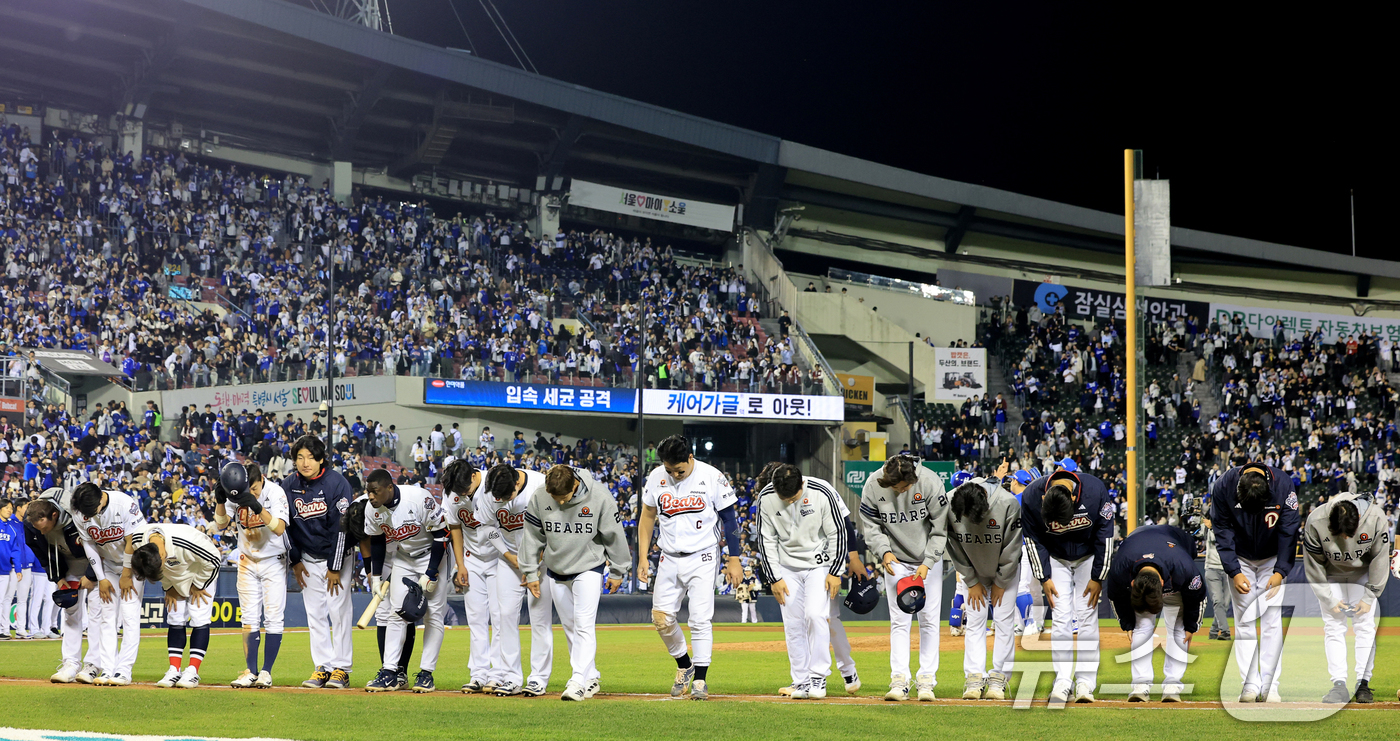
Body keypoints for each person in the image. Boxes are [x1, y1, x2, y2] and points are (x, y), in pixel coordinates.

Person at [637, 435, 743, 700]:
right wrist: (641, 558)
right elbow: (647, 517)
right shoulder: (656, 477)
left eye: (679, 469)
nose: (674, 474)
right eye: (669, 469)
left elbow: (730, 519)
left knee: (699, 619)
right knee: (661, 619)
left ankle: (700, 681)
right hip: (668, 556)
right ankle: (684, 664)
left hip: (703, 556)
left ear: (691, 458)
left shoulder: (712, 476)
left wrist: (734, 558)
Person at [519, 464, 631, 701]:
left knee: (583, 624)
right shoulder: (540, 495)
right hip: (556, 568)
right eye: (554, 497)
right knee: (570, 626)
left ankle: (577, 680)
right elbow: (531, 537)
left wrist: (618, 571)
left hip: (589, 567)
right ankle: (591, 677)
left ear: (575, 485)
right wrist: (530, 573)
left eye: (564, 497)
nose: (559, 502)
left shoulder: (599, 496)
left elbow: (615, 536)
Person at [757, 461, 864, 696]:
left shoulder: (821, 491)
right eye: (783, 497)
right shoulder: (766, 497)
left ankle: (818, 677)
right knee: (793, 624)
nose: (788, 501)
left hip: (819, 565)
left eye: (792, 497)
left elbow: (838, 531)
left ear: (801, 483)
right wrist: (774, 577)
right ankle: (801, 680)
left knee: (817, 615)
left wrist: (835, 572)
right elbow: (765, 539)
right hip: (786, 568)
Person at [1019, 466, 1115, 703]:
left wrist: (1097, 577)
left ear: (1074, 498)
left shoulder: (1094, 490)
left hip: (1088, 555)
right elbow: (1032, 539)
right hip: (1055, 556)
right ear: (1044, 497)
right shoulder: (1031, 496)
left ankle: (1085, 682)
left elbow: (1106, 535)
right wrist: (1044, 577)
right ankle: (1063, 679)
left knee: (1086, 614)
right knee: (1061, 617)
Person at [857, 455, 949, 701]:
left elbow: (941, 529)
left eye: (905, 488)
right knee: (900, 621)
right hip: (894, 560)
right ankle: (899, 679)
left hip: (927, 560)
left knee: (929, 619)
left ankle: (927, 680)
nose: (901, 492)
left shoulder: (929, 481)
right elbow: (871, 525)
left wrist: (929, 562)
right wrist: (883, 552)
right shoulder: (873, 484)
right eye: (896, 488)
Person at [1209, 462, 1300, 703]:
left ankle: (1270, 686)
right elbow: (1221, 529)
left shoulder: (1283, 485)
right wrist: (1234, 570)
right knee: (1245, 619)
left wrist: (1280, 571)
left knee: (1271, 620)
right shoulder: (1223, 485)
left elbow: (1289, 529)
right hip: (1240, 558)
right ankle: (1249, 685)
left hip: (1272, 558)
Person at [362, 468, 452, 693]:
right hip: (403, 557)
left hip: (433, 555)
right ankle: (390, 671)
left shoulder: (419, 498)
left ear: (389, 488)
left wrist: (431, 572)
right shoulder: (371, 509)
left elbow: (442, 535)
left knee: (433, 616)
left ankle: (426, 674)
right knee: (396, 613)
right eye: (368, 491)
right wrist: (375, 577)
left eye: (375, 492)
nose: (371, 496)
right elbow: (377, 541)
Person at [1302, 492, 1391, 703]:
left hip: (1363, 573)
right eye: (1339, 534)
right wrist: (1328, 599)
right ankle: (1339, 684)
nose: (1345, 539)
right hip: (1331, 573)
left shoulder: (1376, 518)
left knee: (1365, 625)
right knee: (1333, 626)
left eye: (1348, 534)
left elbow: (1380, 560)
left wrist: (1370, 596)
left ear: (1358, 520)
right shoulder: (1315, 521)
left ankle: (1363, 684)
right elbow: (1313, 565)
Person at [283, 434, 356, 689]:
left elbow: (342, 528)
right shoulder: (288, 485)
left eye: (311, 458)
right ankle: (322, 667)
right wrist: (295, 561)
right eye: (300, 457)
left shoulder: (337, 483)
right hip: (307, 558)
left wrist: (335, 568)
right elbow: (285, 527)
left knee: (338, 611)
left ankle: (342, 668)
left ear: (321, 458)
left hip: (337, 556)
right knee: (315, 614)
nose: (305, 463)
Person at [474, 461, 552, 696]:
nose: (502, 502)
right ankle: (511, 677)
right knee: (505, 616)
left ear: (517, 483)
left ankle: (538, 678)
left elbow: (552, 527)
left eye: (506, 497)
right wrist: (508, 555)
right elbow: (488, 527)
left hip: (542, 560)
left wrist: (532, 564)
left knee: (539, 618)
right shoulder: (490, 489)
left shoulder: (540, 485)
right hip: (509, 560)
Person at [944, 465, 1022, 701]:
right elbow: (953, 545)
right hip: (974, 572)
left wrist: (1000, 581)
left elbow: (1013, 547)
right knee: (975, 622)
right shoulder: (950, 502)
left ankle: (998, 678)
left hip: (1003, 572)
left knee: (1003, 621)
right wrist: (970, 580)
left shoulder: (1008, 503)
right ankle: (974, 677)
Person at [1105, 524, 1205, 703]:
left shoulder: (1183, 567)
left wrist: (1191, 625)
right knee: (1141, 627)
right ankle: (1140, 685)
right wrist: (1127, 623)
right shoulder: (1120, 567)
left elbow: (1197, 596)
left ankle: (1172, 685)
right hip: (1138, 544)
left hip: (1176, 549)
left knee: (1178, 630)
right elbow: (1116, 597)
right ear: (1133, 583)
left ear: (1162, 582)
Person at [212, 462, 289, 689]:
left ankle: (266, 672)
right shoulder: (236, 490)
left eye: (254, 489)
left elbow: (280, 528)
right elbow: (220, 525)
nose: (251, 493)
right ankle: (251, 671)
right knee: (249, 618)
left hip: (273, 560)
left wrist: (256, 505)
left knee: (274, 617)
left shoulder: (275, 492)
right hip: (247, 560)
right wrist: (219, 502)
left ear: (261, 479)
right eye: (249, 490)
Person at [70, 483, 148, 686]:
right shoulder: (79, 509)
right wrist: (100, 577)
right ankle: (107, 669)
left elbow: (133, 540)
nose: (86, 517)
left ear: (100, 501)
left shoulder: (123, 503)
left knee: (130, 616)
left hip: (134, 564)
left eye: (90, 512)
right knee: (107, 616)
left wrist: (127, 574)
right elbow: (88, 544)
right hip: (108, 567)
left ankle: (124, 670)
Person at [127, 521, 221, 689]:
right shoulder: (139, 540)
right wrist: (168, 587)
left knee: (199, 616)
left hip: (200, 570)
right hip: (173, 575)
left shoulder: (186, 541)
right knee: (175, 615)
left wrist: (198, 585)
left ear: (163, 556)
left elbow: (214, 560)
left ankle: (192, 671)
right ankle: (174, 669)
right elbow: (155, 568)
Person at [441, 459, 505, 694]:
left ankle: (497, 673)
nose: (462, 495)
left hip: (500, 558)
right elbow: (455, 527)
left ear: (474, 476)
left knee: (499, 618)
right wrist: (461, 565)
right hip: (473, 558)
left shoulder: (494, 483)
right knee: (477, 619)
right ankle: (478, 673)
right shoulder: (451, 493)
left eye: (464, 489)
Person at [22, 490, 98, 681]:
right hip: (67, 564)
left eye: (44, 527)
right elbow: (39, 550)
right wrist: (57, 577)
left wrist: (91, 574)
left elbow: (100, 544)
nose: (40, 532)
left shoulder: (78, 513)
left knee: (97, 613)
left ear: (54, 515)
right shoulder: (31, 522)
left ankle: (94, 665)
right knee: (70, 610)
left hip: (95, 562)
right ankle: (71, 664)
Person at [1007, 469, 1047, 638]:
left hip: (1022, 547)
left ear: (1016, 482)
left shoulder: (1013, 501)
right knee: (1035, 588)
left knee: (1020, 586)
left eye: (1012, 480)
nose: (1010, 483)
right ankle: (1036, 622)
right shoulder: (1037, 500)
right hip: (1038, 547)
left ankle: (1027, 623)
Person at [1202, 517, 1232, 640]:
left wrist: (1213, 527)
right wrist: (1205, 525)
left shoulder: (1229, 526)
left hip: (1228, 569)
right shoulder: (1206, 527)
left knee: (1225, 604)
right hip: (1212, 569)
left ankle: (1214, 631)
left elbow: (1227, 539)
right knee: (1218, 601)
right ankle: (1225, 631)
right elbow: (1199, 534)